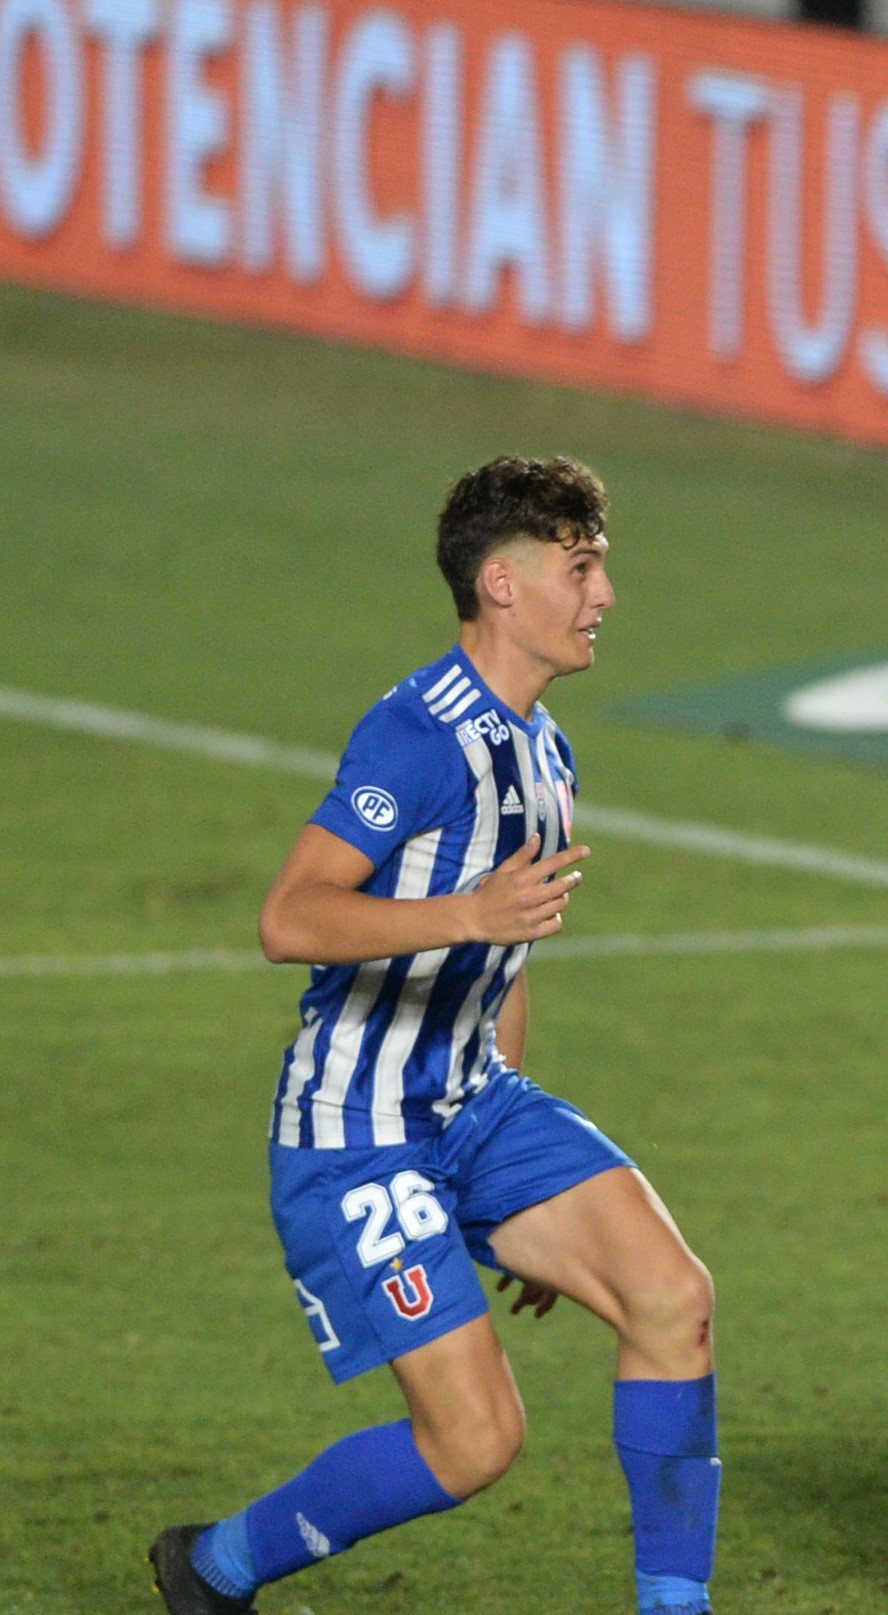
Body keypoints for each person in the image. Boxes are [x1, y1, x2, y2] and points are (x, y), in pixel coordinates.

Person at [150, 458, 723, 1615]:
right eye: (581, 564)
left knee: (672, 1297)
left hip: (477, 1107)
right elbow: (289, 915)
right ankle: (212, 1567)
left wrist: (519, 1186)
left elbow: (500, 958)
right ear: (502, 582)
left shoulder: (547, 747)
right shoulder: (419, 734)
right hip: (354, 1133)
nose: (605, 590)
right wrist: (467, 911)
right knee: (473, 1442)